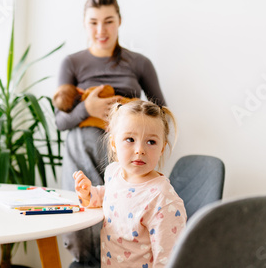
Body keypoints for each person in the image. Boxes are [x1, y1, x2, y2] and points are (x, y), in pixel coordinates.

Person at [55, 0, 167, 266]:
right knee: (85, 223)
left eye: (108, 21)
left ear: (119, 21)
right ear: (84, 23)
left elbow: (161, 113)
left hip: (123, 156)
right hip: (82, 153)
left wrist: (127, 109)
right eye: (93, 22)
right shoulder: (71, 63)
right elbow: (60, 122)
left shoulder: (139, 63)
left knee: (118, 220)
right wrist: (87, 110)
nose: (101, 30)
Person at [73, 100, 187, 267]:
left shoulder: (162, 199)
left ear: (162, 148)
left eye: (151, 142)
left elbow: (169, 259)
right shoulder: (114, 173)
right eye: (130, 139)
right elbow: (112, 194)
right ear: (113, 144)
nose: (140, 150)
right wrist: (89, 194)